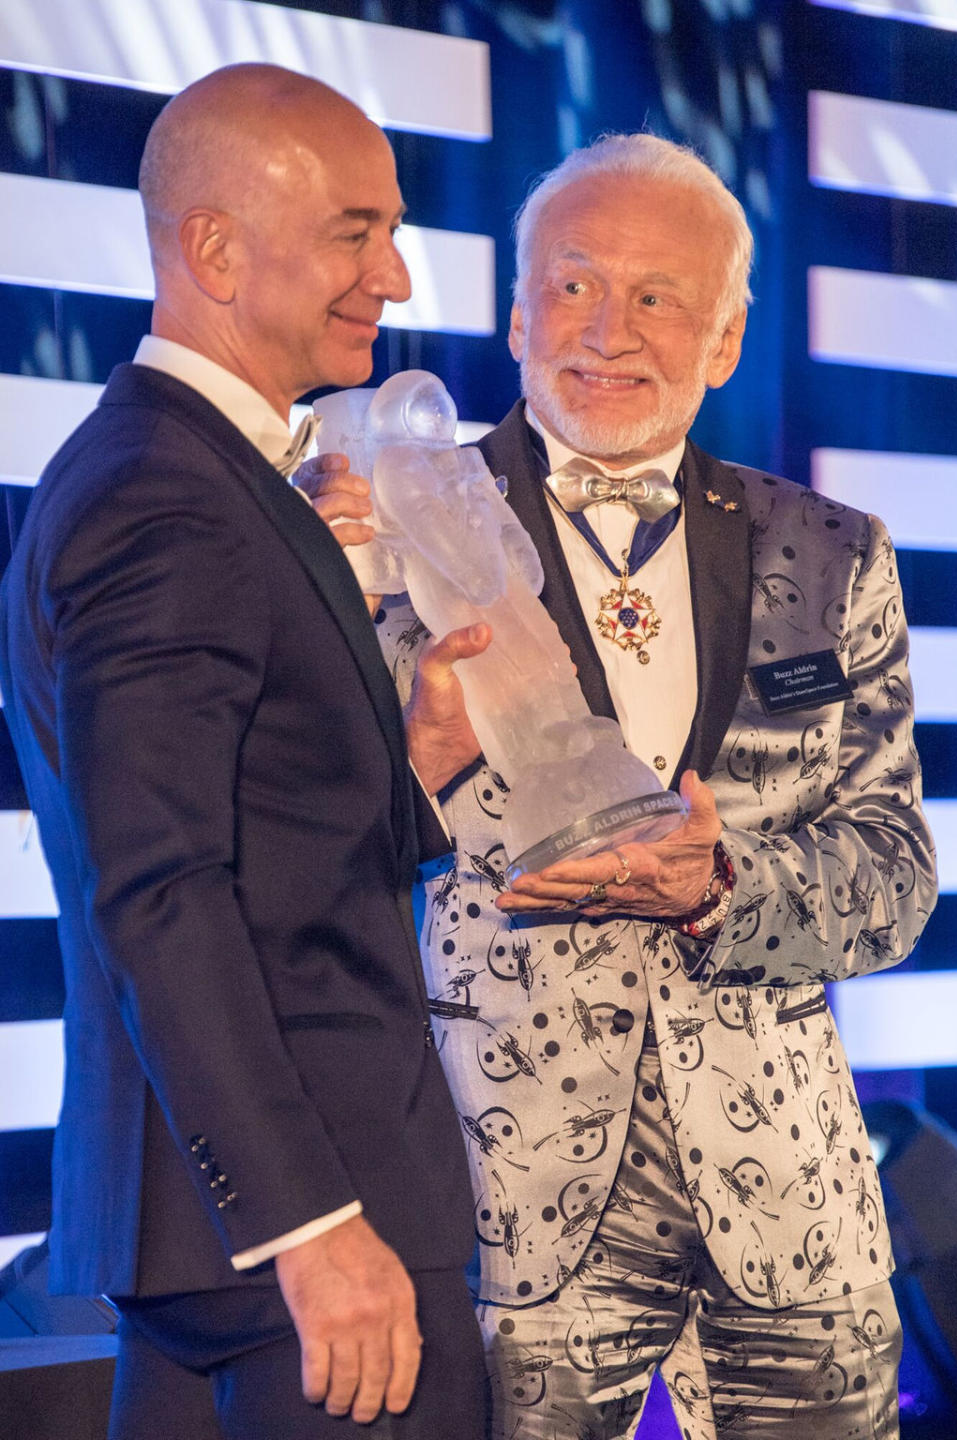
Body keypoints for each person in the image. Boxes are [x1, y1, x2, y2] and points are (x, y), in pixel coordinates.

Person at [359, 135, 937, 1438]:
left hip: (797, 1215)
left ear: (726, 341)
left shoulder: (836, 549)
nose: (606, 331)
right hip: (501, 1203)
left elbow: (897, 874)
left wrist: (727, 881)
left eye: (657, 297)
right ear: (514, 313)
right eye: (573, 287)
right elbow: (295, 850)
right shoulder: (383, 526)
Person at [0, 63, 488, 1440]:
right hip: (306, 1233)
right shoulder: (169, 495)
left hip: (231, 1246)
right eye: (354, 230)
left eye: (391, 230)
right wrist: (312, 1227)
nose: (393, 274)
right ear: (214, 248)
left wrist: (414, 782)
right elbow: (157, 887)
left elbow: (244, 843)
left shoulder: (175, 473)